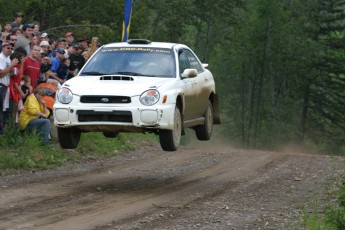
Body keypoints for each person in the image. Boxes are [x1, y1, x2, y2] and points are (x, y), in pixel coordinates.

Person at [0, 42, 19, 134]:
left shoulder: (7, 59)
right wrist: (11, 65)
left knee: (2, 110)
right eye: (8, 48)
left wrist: (12, 73)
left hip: (4, 86)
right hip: (0, 85)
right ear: (3, 48)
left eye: (11, 48)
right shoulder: (1, 58)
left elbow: (5, 73)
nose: (10, 49)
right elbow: (1, 74)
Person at [9, 51, 26, 126]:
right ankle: (9, 129)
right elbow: (15, 82)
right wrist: (21, 92)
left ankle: (12, 128)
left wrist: (22, 63)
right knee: (12, 111)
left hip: (16, 91)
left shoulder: (18, 67)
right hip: (13, 91)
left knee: (15, 111)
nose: (25, 58)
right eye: (23, 57)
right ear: (20, 58)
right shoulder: (15, 68)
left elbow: (20, 75)